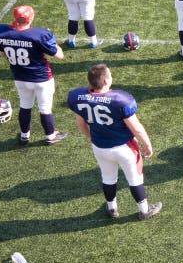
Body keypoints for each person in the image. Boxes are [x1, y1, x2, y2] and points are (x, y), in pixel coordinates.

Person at [67, 64, 162, 220]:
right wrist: (147, 144)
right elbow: (136, 128)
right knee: (135, 178)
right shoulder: (119, 100)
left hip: (99, 147)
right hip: (124, 147)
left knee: (108, 177)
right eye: (110, 75)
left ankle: (112, 208)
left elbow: (80, 123)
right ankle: (144, 210)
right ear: (105, 81)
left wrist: (90, 137)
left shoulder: (79, 97)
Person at [0, 5, 67, 145]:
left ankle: (24, 135)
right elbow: (60, 55)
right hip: (41, 78)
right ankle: (50, 136)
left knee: (25, 106)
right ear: (30, 18)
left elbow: (2, 53)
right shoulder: (40, 34)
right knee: (45, 108)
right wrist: (53, 42)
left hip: (20, 77)